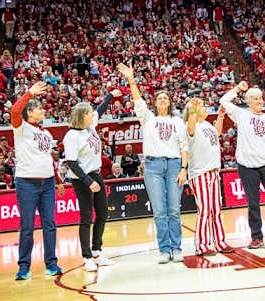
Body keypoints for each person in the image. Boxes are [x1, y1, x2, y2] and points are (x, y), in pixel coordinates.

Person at [117, 63, 189, 264]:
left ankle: (177, 248)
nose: (163, 100)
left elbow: (184, 146)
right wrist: (131, 79)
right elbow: (138, 100)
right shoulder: (147, 118)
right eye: (159, 98)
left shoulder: (177, 122)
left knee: (174, 209)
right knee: (159, 211)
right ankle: (164, 250)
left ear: (170, 102)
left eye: (166, 97)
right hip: (153, 167)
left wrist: (184, 168)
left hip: (175, 165)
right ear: (155, 103)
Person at [220, 80, 265, 249]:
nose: (259, 101)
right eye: (255, 99)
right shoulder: (241, 114)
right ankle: (256, 237)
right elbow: (223, 101)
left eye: (260, 98)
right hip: (247, 166)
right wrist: (238, 88)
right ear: (248, 101)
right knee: (253, 203)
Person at [10, 81, 64, 279]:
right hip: (27, 183)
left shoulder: (46, 133)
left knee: (49, 223)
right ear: (30, 112)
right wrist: (29, 93)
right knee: (27, 226)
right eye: (39, 108)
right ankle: (24, 266)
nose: (43, 110)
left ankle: (51, 264)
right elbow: (15, 111)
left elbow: (48, 158)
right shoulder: (21, 128)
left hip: (48, 183)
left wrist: (58, 180)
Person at [64, 89, 120, 272]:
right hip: (82, 179)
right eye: (89, 112)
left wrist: (111, 95)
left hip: (96, 174)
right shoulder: (71, 136)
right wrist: (88, 181)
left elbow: (101, 109)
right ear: (82, 116)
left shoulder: (90, 127)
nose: (92, 114)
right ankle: (87, 256)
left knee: (103, 213)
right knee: (86, 217)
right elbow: (71, 162)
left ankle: (97, 251)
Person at [183, 98, 234, 256]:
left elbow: (217, 132)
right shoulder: (191, 126)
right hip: (200, 173)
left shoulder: (206, 125)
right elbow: (190, 127)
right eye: (202, 107)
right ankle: (202, 245)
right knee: (204, 210)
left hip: (214, 172)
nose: (205, 109)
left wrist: (220, 116)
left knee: (216, 209)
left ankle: (219, 241)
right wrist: (193, 108)